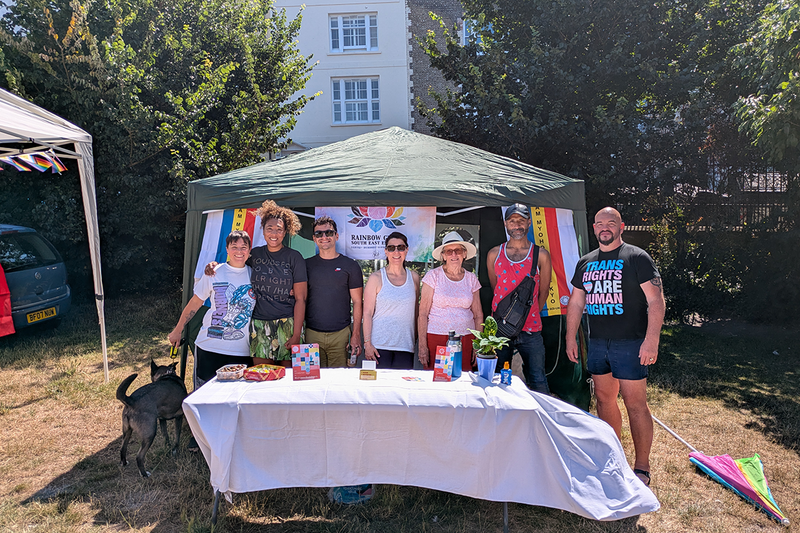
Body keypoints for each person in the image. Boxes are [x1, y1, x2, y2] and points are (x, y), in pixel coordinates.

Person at [565, 207, 665, 487]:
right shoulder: (585, 262)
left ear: (621, 227)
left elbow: (656, 300)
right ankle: (614, 456)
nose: (605, 227)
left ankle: (642, 466)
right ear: (594, 228)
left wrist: (652, 340)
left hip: (631, 343)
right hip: (598, 343)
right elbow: (576, 302)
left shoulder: (637, 257)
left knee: (636, 404)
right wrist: (570, 337)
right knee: (604, 399)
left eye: (611, 223)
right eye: (600, 224)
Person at [169, 230, 255, 388]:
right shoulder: (214, 273)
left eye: (243, 247)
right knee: (204, 396)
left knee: (236, 397)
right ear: (227, 249)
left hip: (241, 351)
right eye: (234, 247)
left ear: (249, 250)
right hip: (209, 348)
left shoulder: (255, 276)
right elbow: (195, 303)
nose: (239, 251)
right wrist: (178, 329)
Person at [486, 204, 552, 393]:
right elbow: (496, 288)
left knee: (537, 379)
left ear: (529, 223)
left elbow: (544, 292)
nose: (517, 225)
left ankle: (539, 413)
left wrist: (528, 314)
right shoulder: (494, 254)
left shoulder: (541, 255)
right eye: (512, 221)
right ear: (505, 223)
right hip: (501, 328)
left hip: (531, 329)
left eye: (521, 221)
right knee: (498, 379)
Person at [418, 231, 483, 371]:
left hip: (466, 338)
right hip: (437, 338)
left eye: (458, 250)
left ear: (464, 253)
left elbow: (478, 315)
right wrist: (422, 345)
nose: (454, 254)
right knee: (438, 379)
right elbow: (422, 314)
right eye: (449, 251)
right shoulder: (433, 276)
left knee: (463, 379)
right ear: (443, 256)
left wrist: (478, 345)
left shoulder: (471, 279)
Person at [304, 216, 364, 367]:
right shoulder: (305, 265)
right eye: (319, 234)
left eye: (329, 233)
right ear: (314, 238)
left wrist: (356, 335)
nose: (324, 237)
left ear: (336, 236)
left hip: (341, 335)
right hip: (311, 335)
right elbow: (299, 297)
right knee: (311, 378)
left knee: (339, 379)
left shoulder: (350, 266)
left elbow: (357, 302)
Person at [362, 232, 420, 369]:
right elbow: (367, 313)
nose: (396, 252)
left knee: (403, 383)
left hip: (405, 346)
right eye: (391, 248)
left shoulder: (414, 278)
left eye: (401, 247)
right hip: (378, 346)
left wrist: (416, 338)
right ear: (386, 251)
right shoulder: (376, 278)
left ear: (406, 250)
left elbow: (416, 312)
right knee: (378, 383)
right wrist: (367, 344)